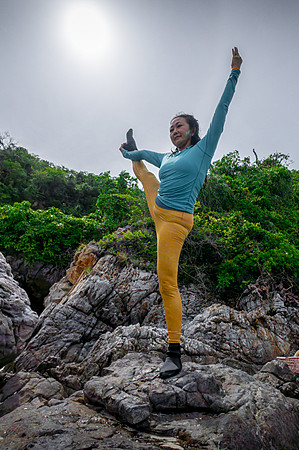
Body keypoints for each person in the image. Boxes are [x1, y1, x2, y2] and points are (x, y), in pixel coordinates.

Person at [119, 47, 243, 378]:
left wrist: (234, 71)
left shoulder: (202, 150)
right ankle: (131, 153)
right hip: (157, 207)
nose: (174, 130)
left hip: (174, 223)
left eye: (179, 126)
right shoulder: (170, 157)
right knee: (144, 173)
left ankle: (174, 353)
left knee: (167, 284)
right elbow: (148, 154)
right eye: (171, 127)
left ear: (191, 130)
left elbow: (222, 110)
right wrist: (132, 151)